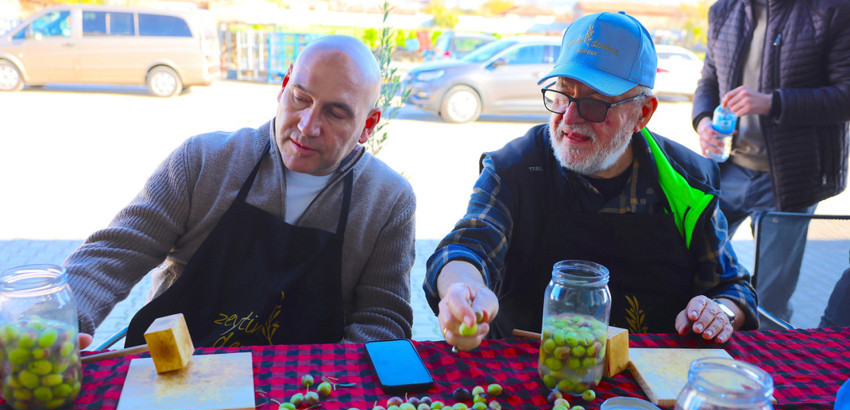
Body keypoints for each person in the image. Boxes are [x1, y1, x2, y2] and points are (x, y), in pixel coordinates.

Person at [424, 11, 758, 351]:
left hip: (651, 381)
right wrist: (463, 288)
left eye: (594, 104)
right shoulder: (515, 168)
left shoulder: (687, 183)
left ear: (642, 113)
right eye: (561, 95)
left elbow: (734, 289)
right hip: (528, 375)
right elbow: (467, 246)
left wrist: (718, 313)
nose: (569, 118)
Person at [65, 35, 416, 349]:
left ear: (368, 125)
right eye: (300, 98)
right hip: (169, 376)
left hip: (297, 397)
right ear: (283, 86)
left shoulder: (388, 201)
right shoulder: (203, 161)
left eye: (335, 113)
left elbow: (383, 321)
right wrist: (60, 322)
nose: (307, 126)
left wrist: (328, 389)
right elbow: (113, 253)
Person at [692, 0, 850, 328]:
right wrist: (703, 121)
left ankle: (769, 374)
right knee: (696, 274)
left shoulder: (833, 9)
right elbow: (708, 81)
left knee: (768, 303)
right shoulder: (723, 10)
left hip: (790, 180)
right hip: (727, 170)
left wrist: (772, 102)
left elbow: (845, 97)